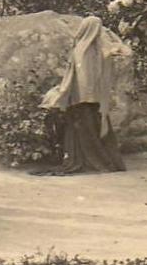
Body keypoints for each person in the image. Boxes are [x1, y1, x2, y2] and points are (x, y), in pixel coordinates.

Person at [37, 16, 128, 174]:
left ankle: (92, 160)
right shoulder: (84, 50)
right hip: (85, 98)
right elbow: (83, 77)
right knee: (88, 129)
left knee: (92, 129)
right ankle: (93, 161)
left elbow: (126, 52)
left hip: (89, 97)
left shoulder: (93, 49)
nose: (100, 32)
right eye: (98, 28)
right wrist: (89, 95)